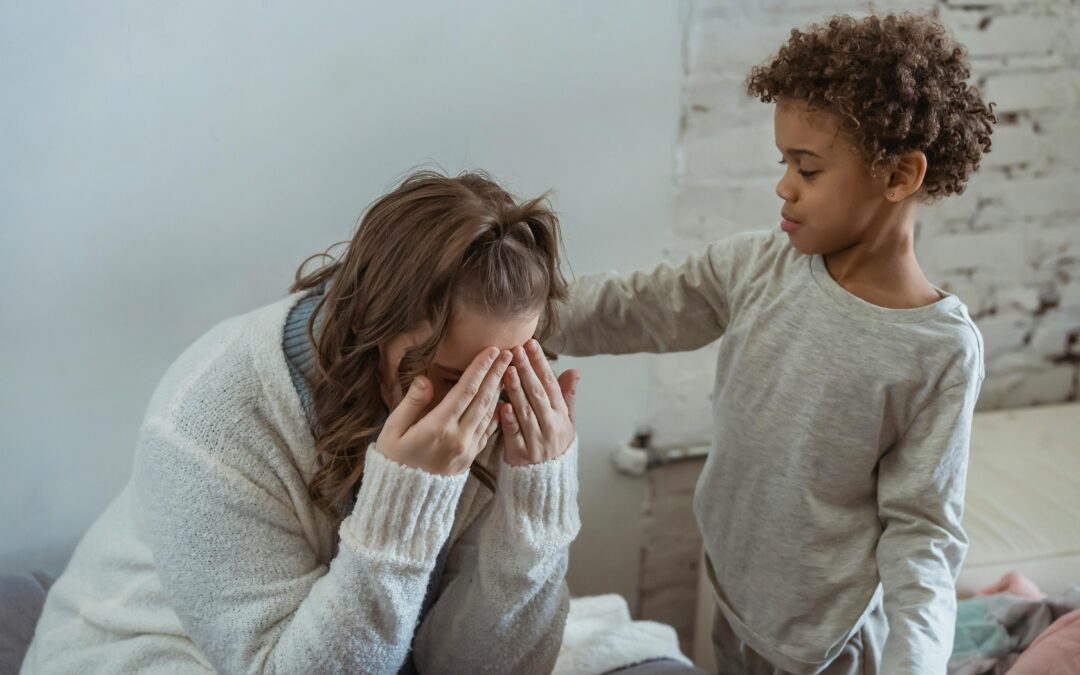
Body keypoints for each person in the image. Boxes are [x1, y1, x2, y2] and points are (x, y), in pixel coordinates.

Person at [548, 13, 995, 674]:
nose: (783, 186)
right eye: (783, 162)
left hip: (830, 645)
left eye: (807, 169)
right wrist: (520, 313)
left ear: (898, 176)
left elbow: (922, 528)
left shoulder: (938, 349)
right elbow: (635, 304)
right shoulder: (758, 266)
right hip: (734, 597)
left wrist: (915, 661)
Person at [22, 170, 582, 675]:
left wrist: (534, 515)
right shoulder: (207, 418)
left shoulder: (499, 403)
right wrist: (404, 506)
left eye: (507, 370)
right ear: (370, 324)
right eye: (448, 374)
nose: (478, 402)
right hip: (145, 646)